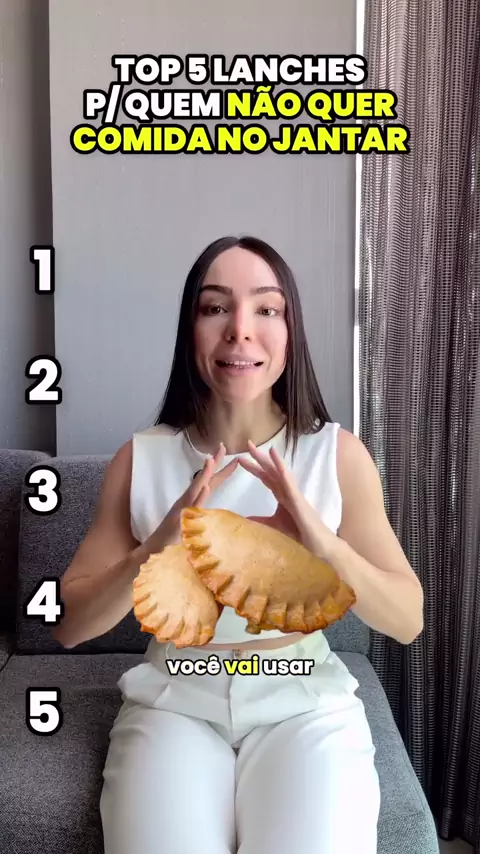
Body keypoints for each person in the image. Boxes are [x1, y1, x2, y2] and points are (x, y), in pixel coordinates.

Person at [54, 235, 424, 854]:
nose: (240, 330)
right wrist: (157, 545)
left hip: (304, 703)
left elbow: (408, 620)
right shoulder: (138, 460)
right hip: (174, 700)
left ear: (290, 331)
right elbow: (68, 625)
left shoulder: (338, 456)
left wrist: (324, 546)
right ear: (191, 329)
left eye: (266, 308)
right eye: (216, 307)